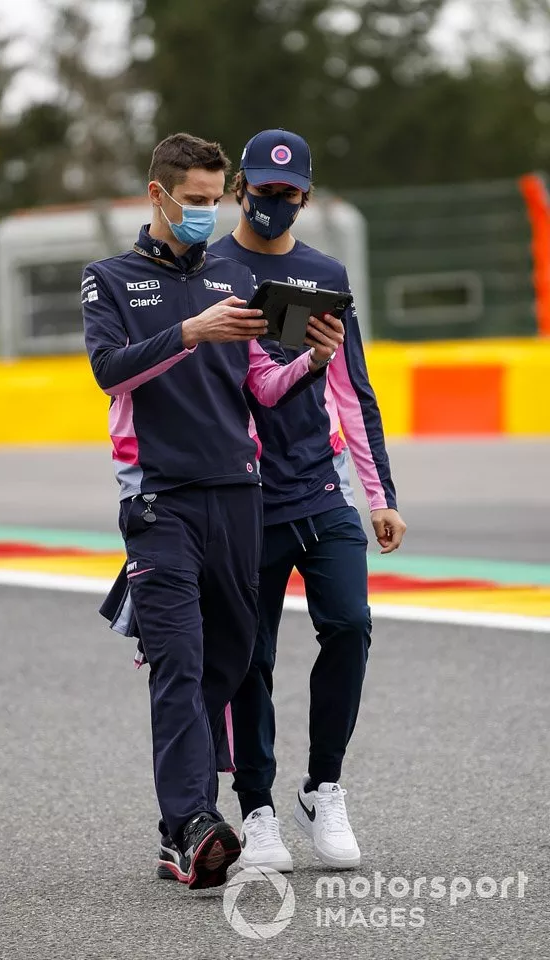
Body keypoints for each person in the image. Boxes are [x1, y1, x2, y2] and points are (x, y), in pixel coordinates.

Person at [81, 132, 345, 889]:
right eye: (194, 200)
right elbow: (108, 372)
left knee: (230, 662)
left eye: (213, 199)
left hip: (239, 497)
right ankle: (194, 822)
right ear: (158, 195)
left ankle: (183, 829)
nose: (206, 212)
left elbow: (263, 386)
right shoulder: (108, 279)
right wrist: (191, 332)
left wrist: (314, 359)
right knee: (179, 661)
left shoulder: (234, 283)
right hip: (159, 501)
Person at [208, 129, 407, 872]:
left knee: (350, 625)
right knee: (250, 658)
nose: (275, 203)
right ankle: (256, 809)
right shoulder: (210, 270)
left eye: (289, 193)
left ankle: (324, 787)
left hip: (322, 489)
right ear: (240, 188)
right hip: (242, 498)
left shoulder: (325, 273)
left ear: (307, 197)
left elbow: (354, 390)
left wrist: (380, 495)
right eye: (264, 190)